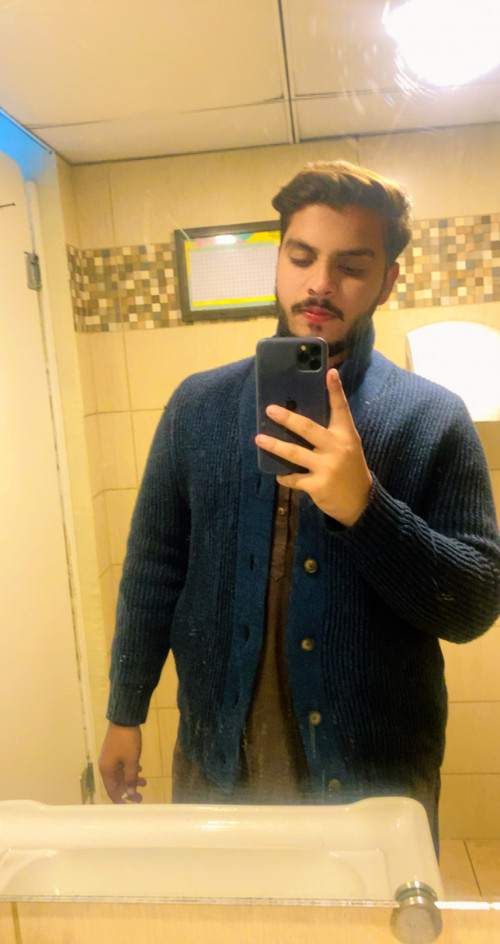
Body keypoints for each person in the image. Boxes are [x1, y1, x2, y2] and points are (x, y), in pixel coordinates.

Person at [99, 160, 500, 848]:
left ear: (387, 281)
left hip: (376, 782)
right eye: (302, 256)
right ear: (278, 260)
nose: (319, 283)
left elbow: (474, 606)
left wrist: (365, 508)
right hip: (217, 767)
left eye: (351, 265)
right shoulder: (197, 406)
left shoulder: (432, 416)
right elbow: (153, 571)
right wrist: (124, 712)